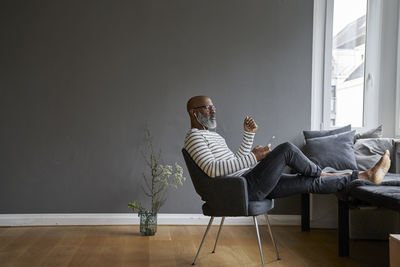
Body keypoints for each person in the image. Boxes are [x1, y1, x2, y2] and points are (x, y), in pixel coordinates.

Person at [183, 95, 391, 201]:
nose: (213, 111)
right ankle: (322, 172)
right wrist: (255, 158)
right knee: (286, 149)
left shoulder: (213, 136)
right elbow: (213, 170)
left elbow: (232, 163)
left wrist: (248, 135)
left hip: (246, 179)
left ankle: (365, 175)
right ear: (194, 113)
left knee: (310, 183)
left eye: (213, 107)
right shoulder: (193, 137)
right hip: (241, 187)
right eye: (208, 108)